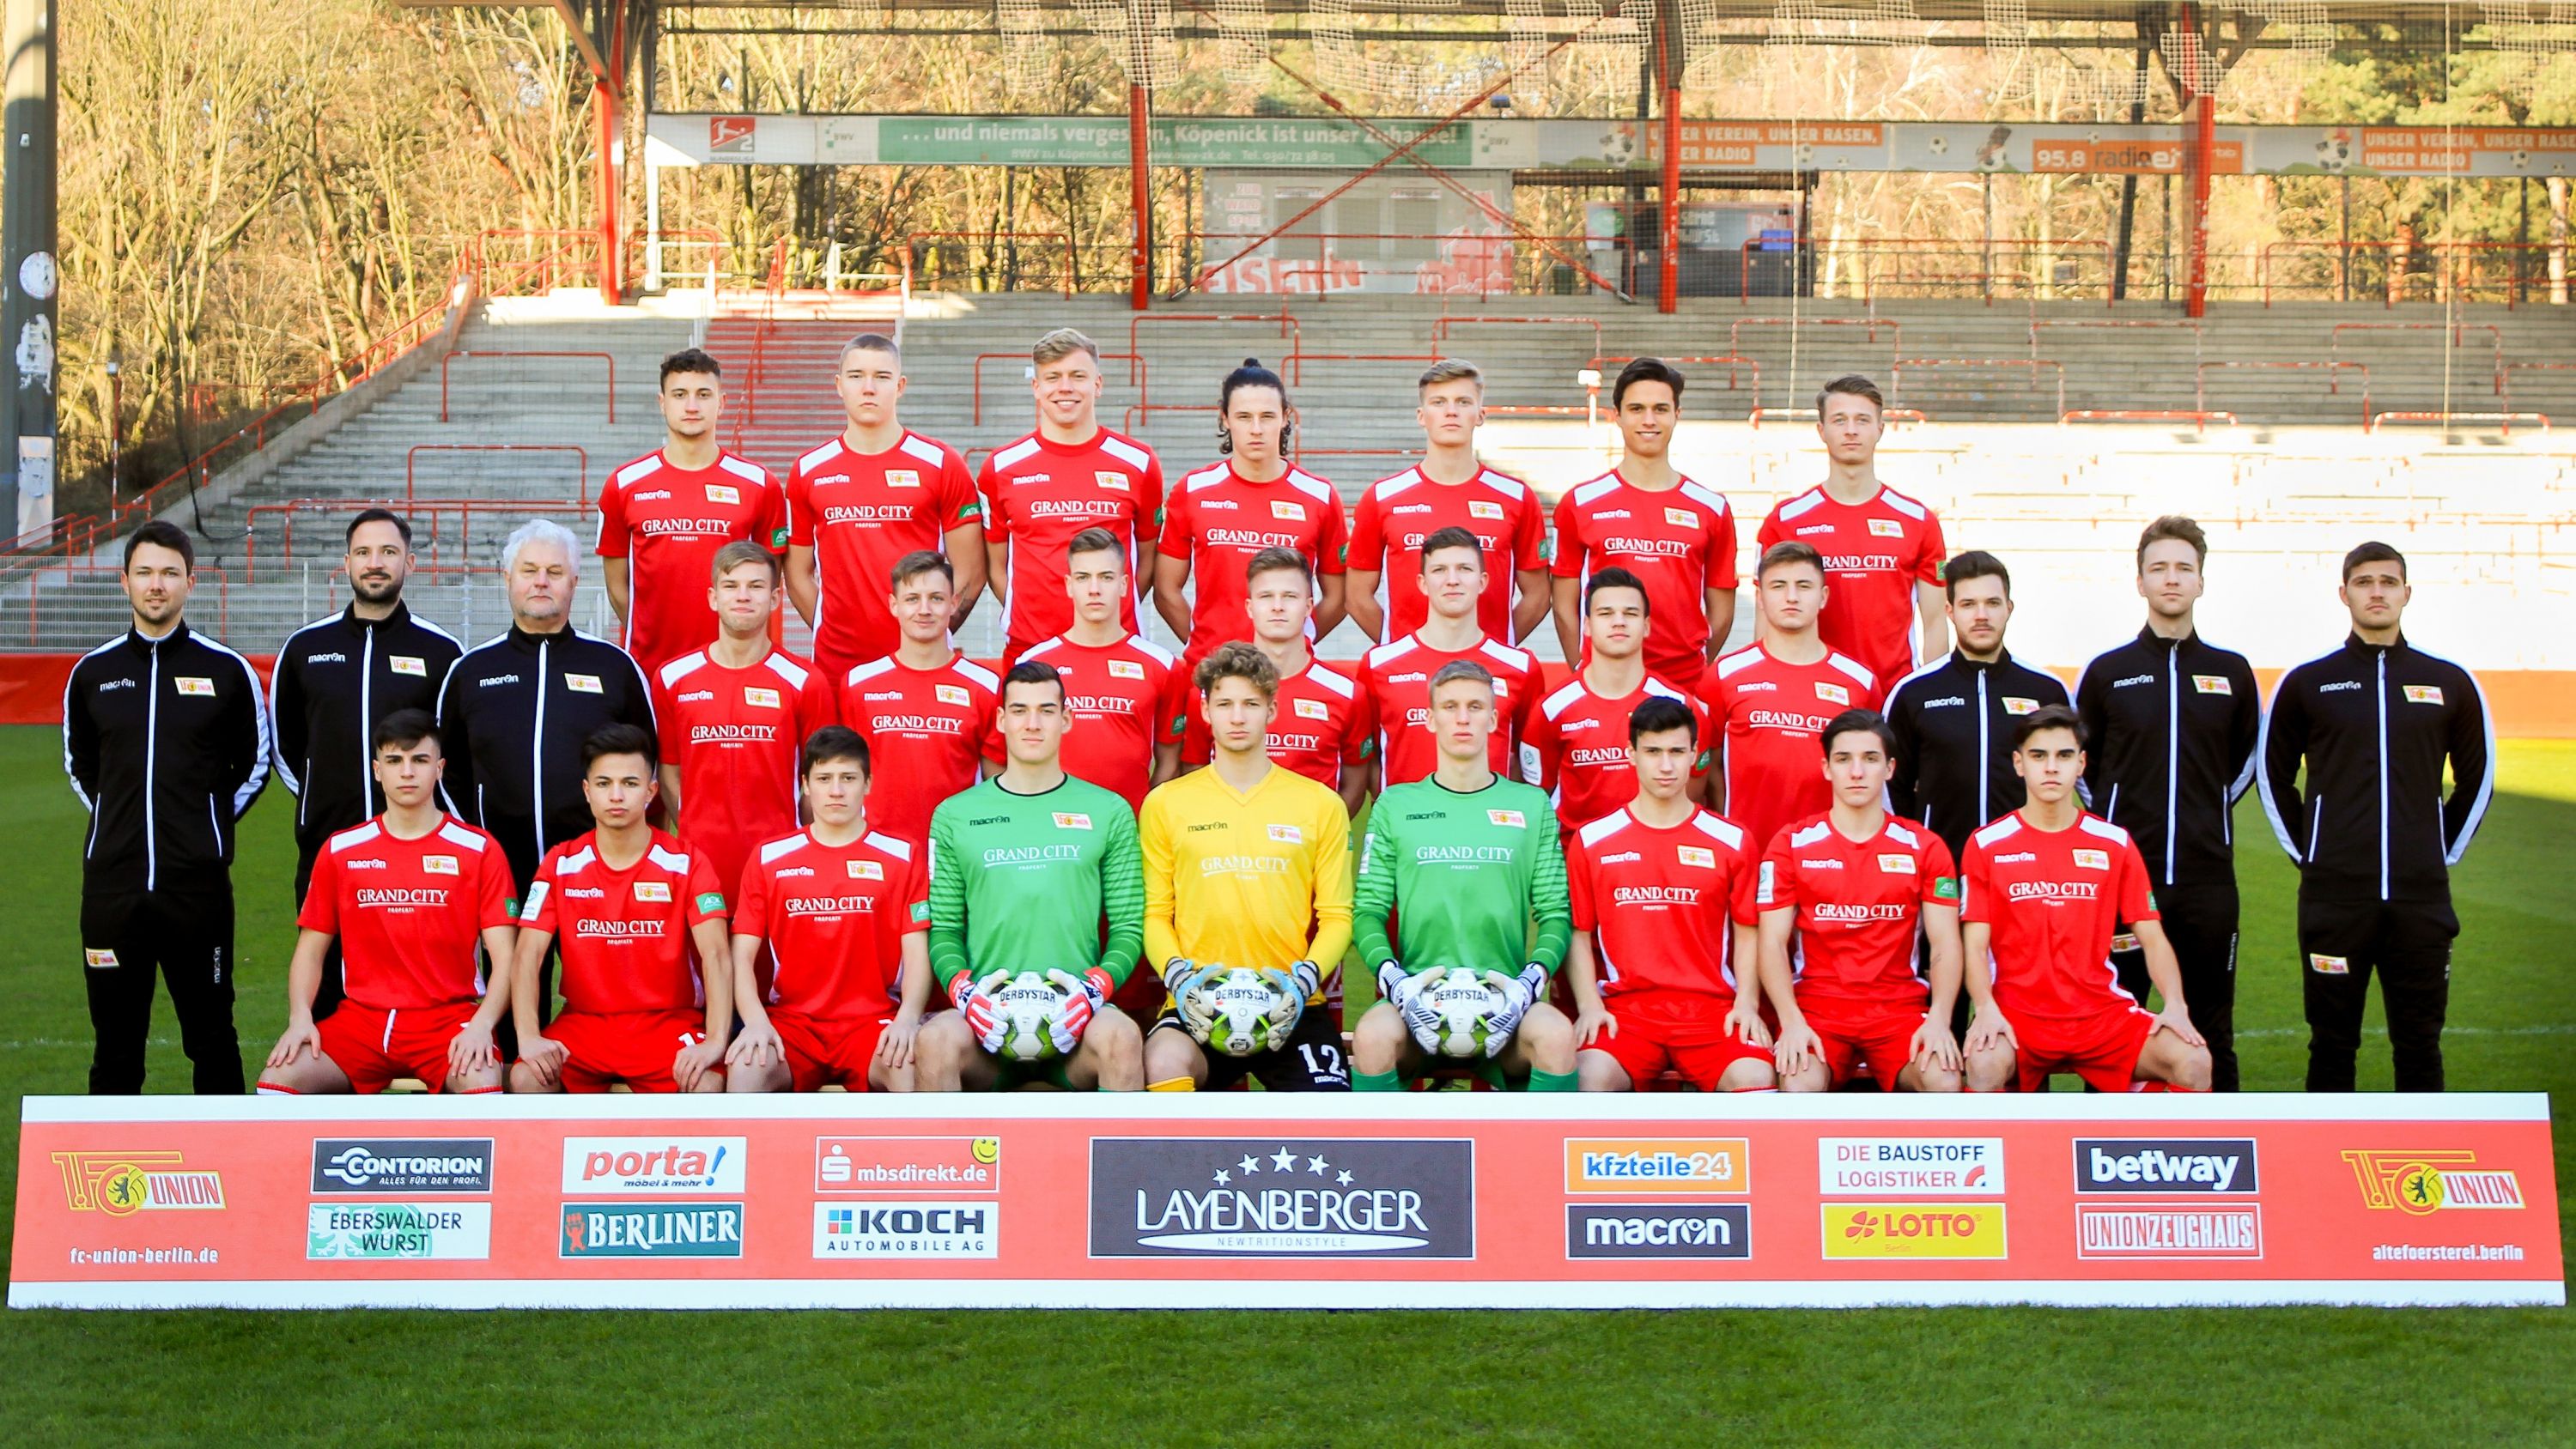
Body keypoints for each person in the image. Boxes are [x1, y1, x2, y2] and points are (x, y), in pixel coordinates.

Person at [2257, 542, 2493, 1093]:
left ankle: (2423, 1173)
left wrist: (2438, 851)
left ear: (2407, 593)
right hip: (2333, 901)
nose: (2377, 592)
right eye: (2365, 582)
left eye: (2389, 582)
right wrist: (2311, 853)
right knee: (2332, 1043)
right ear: (2344, 594)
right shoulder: (2308, 682)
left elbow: (2477, 777)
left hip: (2420, 901)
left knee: (2419, 1042)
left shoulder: (2449, 681)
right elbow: (2273, 773)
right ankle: (2326, 1173)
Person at [64, 520, 270, 1094]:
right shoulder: (93, 673)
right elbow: (83, 767)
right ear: (124, 581)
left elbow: (255, 764)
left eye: (170, 573)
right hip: (111, 892)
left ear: (191, 582)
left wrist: (202, 830)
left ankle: (230, 1171)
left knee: (210, 1036)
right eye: (146, 573)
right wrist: (119, 823)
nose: (157, 585)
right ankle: (107, 1181)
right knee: (115, 1043)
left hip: (196, 891)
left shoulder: (226, 671)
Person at [2074, 516, 2262, 1090]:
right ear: (2140, 582)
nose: (2171, 579)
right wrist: (2120, 826)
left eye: (2184, 568)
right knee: (2110, 1028)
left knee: (2212, 1028)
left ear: (2202, 581)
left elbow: (2243, 764)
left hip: (2208, 883)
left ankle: (2222, 1157)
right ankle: (2102, 1159)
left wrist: (2201, 814)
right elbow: (2087, 770)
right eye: (2159, 568)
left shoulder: (2231, 673)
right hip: (2124, 885)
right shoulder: (2108, 673)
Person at [912, 662, 1148, 1091]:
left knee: (1122, 1037)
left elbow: (1129, 927)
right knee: (934, 1041)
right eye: (1019, 711)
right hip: (986, 1025)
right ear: (1001, 719)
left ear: (1066, 718)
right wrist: (965, 994)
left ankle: (1119, 1159)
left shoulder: (1109, 810)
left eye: (1045, 710)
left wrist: (1094, 991)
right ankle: (945, 1160)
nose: (1032, 724)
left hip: (1076, 1021)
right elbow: (944, 929)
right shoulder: (954, 815)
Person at [270, 509, 464, 1022]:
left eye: (388, 553)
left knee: (420, 991)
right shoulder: (305, 649)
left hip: (416, 859)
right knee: (328, 999)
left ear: (411, 563)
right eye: (363, 553)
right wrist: (320, 803)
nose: (375, 564)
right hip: (327, 853)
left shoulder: (442, 652)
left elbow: (456, 757)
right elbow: (288, 750)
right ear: (346, 563)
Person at [1958, 706, 2212, 1093]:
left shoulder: (2113, 842)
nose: (2051, 768)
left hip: (2101, 1015)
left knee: (2193, 1061)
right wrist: (1986, 1009)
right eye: (2038, 756)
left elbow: (2153, 937)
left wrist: (2176, 1004)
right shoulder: (1987, 844)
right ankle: (2016, 1156)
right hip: (2018, 1016)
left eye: (2064, 756)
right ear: (2018, 764)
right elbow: (1974, 946)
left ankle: (2144, 1154)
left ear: (2081, 764)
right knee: (1984, 1064)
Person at [257, 712, 513, 1094]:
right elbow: (310, 952)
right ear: (378, 770)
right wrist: (300, 1018)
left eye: (420, 760)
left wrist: (482, 1024)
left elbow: (507, 957)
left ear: (439, 768)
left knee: (482, 1083)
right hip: (361, 1022)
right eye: (395, 761)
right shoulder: (341, 850)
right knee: (278, 1082)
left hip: (448, 1020)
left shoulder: (479, 850)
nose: (407, 772)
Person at [1351, 660, 1577, 1092]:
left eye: (1475, 707)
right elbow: (1368, 911)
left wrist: (1528, 984)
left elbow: (1555, 914)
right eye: (1450, 706)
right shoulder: (1396, 804)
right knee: (1372, 1037)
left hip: (1505, 999)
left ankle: (1532, 1160)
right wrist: (1396, 982)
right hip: (1415, 997)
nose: (1462, 717)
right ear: (1430, 719)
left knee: (1557, 1035)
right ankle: (1391, 1159)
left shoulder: (1530, 805)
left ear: (1493, 719)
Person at [1139, 643, 1355, 1091]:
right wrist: (1179, 980)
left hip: (1291, 1004)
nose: (1237, 717)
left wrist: (1303, 982)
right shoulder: (1166, 803)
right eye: (1225, 704)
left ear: (1272, 710)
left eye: (1251, 704)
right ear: (1205, 710)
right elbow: (1156, 915)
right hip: (1198, 1001)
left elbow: (1336, 918)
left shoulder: (1320, 804)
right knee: (1164, 1062)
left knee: (1332, 1119)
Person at [436, 518, 657, 894]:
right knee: (511, 958)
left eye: (555, 572)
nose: (541, 581)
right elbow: (445, 769)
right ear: (507, 577)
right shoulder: (471, 671)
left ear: (574, 582)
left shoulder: (614, 667)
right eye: (529, 571)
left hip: (596, 869)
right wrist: (478, 843)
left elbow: (647, 760)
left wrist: (614, 839)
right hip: (500, 870)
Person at [507, 725, 732, 1094]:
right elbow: (527, 955)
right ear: (587, 792)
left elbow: (717, 955)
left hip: (667, 1023)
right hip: (585, 1024)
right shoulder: (560, 863)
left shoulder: (686, 862)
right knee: (525, 1077)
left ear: (651, 791)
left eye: (629, 783)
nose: (616, 796)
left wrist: (716, 1041)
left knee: (706, 1083)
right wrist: (529, 1037)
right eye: (603, 783)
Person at [1564, 695, 1770, 1092]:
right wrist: (1590, 1005)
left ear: (1695, 754)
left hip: (1711, 1013)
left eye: (1677, 752)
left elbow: (1747, 931)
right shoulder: (1592, 840)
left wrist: (1747, 1003)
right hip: (1626, 1013)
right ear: (1631, 754)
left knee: (1756, 1080)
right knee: (1587, 1079)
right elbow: (1579, 933)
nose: (1665, 765)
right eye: (1653, 751)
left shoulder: (1732, 839)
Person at [1758, 710, 1965, 1094]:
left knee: (1944, 1079)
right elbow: (1770, 942)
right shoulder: (1791, 844)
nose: (1857, 772)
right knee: (1797, 1082)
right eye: (1843, 760)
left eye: (1870, 759)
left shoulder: (1924, 846)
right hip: (1817, 1008)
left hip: (1898, 1010)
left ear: (1889, 769)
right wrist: (1791, 1020)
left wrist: (1939, 1019)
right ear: (1826, 768)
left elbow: (1945, 943)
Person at [1156, 359, 1347, 762]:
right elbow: (1166, 588)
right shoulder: (1194, 489)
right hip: (1210, 674)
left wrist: (1302, 637)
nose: (1256, 428)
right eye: (1244, 417)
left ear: (1285, 418)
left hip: (1285, 675)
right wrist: (1202, 646)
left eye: (1267, 416)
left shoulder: (1318, 495)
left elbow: (1338, 594)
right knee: (1200, 794)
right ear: (1225, 419)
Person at [725, 726, 935, 1093]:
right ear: (805, 784)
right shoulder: (769, 857)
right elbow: (740, 956)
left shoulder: (903, 855)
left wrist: (908, 1018)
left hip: (872, 1023)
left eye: (848, 778)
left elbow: (917, 953)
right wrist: (756, 1022)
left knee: (908, 1067)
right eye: (824, 778)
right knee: (745, 1070)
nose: (836, 790)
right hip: (793, 1025)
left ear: (868, 783)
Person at [784, 332, 986, 684]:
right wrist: (827, 627)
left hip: (922, 667)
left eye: (882, 377)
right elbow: (797, 573)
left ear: (901, 385)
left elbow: (971, 571)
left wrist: (927, 632)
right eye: (856, 376)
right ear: (838, 384)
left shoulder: (941, 463)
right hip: (837, 669)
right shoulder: (809, 469)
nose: (868, 388)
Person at [652, 541, 837, 903]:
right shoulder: (673, 678)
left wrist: (797, 840)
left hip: (780, 864)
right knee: (709, 961)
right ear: (712, 597)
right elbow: (669, 772)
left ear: (775, 599)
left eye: (755, 587)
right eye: (731, 586)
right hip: (700, 865)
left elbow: (821, 778)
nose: (743, 596)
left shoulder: (804, 681)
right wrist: (695, 832)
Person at [1550, 358, 1739, 692]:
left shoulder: (1711, 508)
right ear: (1617, 415)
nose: (1649, 420)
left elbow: (1721, 613)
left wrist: (1694, 664)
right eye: (1637, 409)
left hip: (1683, 683)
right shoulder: (1580, 503)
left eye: (1660, 409)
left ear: (1676, 416)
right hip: (1605, 681)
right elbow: (1564, 602)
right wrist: (1581, 666)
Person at [594, 348, 787, 673]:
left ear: (722, 403)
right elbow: (617, 585)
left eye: (704, 394)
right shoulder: (624, 484)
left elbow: (770, 581)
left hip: (735, 667)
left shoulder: (760, 484)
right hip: (649, 667)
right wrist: (648, 633)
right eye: (680, 394)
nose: (692, 406)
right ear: (662, 403)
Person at [978, 328, 1162, 664]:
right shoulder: (1001, 467)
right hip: (1030, 651)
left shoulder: (1139, 463)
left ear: (1098, 384)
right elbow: (996, 565)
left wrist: (1106, 613)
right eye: (1052, 377)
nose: (1065, 388)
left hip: (1115, 650)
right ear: (1036, 387)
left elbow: (1146, 560)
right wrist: (1031, 617)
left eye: (1078, 376)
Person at [1753, 374, 1947, 690]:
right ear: (1822, 431)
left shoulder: (1918, 520)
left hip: (1893, 695)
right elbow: (1767, 619)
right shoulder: (1786, 520)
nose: (1851, 430)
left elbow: (1936, 621)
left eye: (1862, 420)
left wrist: (1927, 697)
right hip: (1811, 694)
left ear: (1880, 429)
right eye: (1839, 420)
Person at [1883, 549, 2070, 865]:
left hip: (2028, 872)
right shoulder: (1914, 692)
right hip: (1941, 873)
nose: (1981, 615)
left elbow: (2076, 781)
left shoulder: (2046, 690)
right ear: (1950, 611)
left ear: (2009, 609)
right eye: (1969, 605)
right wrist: (1917, 853)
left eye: (1992, 603)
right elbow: (1890, 787)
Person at [1346, 359, 1548, 646]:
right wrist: (1400, 649)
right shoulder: (1381, 497)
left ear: (1480, 414)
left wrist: (1497, 648)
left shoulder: (1517, 497)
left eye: (1463, 402)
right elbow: (1356, 597)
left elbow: (1538, 596)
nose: (1451, 411)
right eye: (1439, 402)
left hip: (1487, 676)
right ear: (1421, 415)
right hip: (1409, 673)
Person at [1703, 541, 1881, 856]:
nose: (1792, 597)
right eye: (1778, 586)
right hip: (1748, 857)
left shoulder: (1859, 682)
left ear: (1823, 596)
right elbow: (1707, 767)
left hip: (1832, 862)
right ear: (1759, 597)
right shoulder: (1724, 675)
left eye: (1804, 585)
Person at [1019, 526, 1191, 817]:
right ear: (1068, 585)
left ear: (1124, 585)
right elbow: (1015, 758)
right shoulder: (1033, 665)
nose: (1094, 589)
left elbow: (1169, 762)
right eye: (1083, 578)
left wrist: (1141, 819)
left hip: (1127, 831)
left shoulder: (1162, 666)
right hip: (1050, 830)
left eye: (1106, 577)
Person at [836, 551, 1003, 847]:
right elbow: (842, 776)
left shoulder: (987, 687)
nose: (924, 609)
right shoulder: (858, 684)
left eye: (936, 599)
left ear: (953, 604)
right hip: (879, 854)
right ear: (894, 605)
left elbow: (998, 784)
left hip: (957, 852)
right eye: (912, 599)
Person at [1526, 567, 1708, 833]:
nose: (1619, 621)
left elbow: (1695, 789)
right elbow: (1536, 795)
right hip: (1575, 861)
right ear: (1587, 625)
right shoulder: (1553, 708)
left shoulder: (1680, 705)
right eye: (1606, 613)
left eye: (1631, 613)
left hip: (1655, 860)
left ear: (1646, 626)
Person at [1360, 526, 1541, 789]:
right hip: (1407, 826)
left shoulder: (1521, 667)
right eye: (1439, 570)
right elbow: (1368, 759)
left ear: (1483, 582)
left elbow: (1528, 761)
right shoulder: (1379, 665)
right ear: (1423, 583)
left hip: (1490, 825)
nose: (1452, 580)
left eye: (1465, 569)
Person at [1219, 547, 1373, 814]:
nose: (1278, 606)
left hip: (1311, 849)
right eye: (1266, 596)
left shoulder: (1347, 693)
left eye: (1289, 596)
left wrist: (1320, 837)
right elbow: (1194, 771)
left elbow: (1355, 783)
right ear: (1250, 607)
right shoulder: (1215, 690)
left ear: (1308, 606)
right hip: (1230, 850)